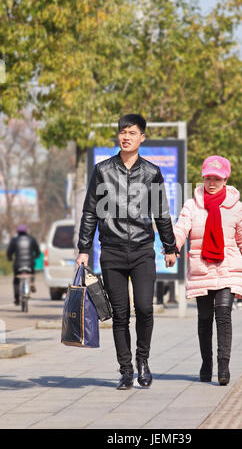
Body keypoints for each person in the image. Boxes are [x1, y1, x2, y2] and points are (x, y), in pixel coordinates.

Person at [76, 114, 177, 390]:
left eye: (132, 132)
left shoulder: (152, 172)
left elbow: (161, 212)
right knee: (120, 315)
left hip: (144, 250)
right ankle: (125, 370)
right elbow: (89, 212)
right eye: (122, 132)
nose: (126, 136)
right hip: (112, 251)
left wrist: (169, 247)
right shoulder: (102, 170)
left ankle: (142, 360)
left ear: (142, 138)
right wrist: (84, 248)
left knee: (145, 308)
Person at [174, 155, 242, 386]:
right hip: (201, 267)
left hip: (227, 268)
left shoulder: (235, 207)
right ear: (202, 178)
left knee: (223, 316)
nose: (212, 182)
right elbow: (181, 229)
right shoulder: (191, 205)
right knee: (205, 319)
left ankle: (223, 367)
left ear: (225, 179)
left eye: (217, 178)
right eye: (208, 178)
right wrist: (172, 246)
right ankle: (206, 362)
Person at [6, 225, 41, 305]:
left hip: (18, 264)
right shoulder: (32, 239)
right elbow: (38, 252)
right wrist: (35, 257)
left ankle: (17, 299)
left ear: (18, 232)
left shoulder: (14, 240)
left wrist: (10, 258)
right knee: (32, 272)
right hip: (29, 263)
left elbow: (9, 253)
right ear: (26, 231)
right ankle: (32, 282)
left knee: (16, 281)